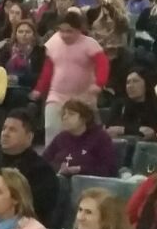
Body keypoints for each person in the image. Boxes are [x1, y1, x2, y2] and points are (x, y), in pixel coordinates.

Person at [0, 109, 60, 225]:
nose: (5, 133)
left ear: (29, 137)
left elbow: (38, 208)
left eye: (12, 130)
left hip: (19, 226)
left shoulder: (42, 170)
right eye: (4, 128)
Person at [31, 9, 108, 139]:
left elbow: (103, 64)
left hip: (83, 97)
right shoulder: (54, 42)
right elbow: (48, 68)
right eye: (62, 31)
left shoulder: (90, 44)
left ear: (79, 30)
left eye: (69, 31)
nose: (65, 35)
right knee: (51, 128)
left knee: (82, 133)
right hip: (57, 95)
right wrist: (39, 89)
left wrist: (99, 84)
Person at [41, 99, 118, 177]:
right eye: (64, 114)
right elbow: (43, 161)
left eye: (71, 114)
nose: (65, 117)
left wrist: (80, 170)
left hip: (88, 182)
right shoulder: (61, 137)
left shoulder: (100, 138)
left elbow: (109, 170)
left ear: (84, 118)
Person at [105, 69, 157, 141]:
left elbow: (149, 133)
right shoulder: (120, 105)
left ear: (146, 84)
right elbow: (109, 130)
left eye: (135, 81)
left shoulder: (155, 109)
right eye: (128, 82)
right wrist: (137, 130)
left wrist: (122, 130)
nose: (130, 86)